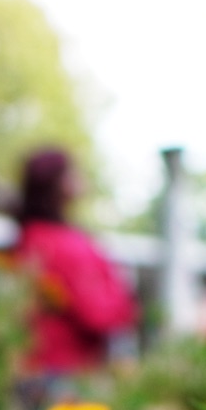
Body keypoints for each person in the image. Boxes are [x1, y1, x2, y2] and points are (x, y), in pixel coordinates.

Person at [12, 148, 139, 383]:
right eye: (74, 171)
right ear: (57, 183)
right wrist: (125, 302)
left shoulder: (34, 236)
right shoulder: (56, 242)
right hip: (65, 372)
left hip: (50, 367)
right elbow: (97, 314)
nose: (81, 176)